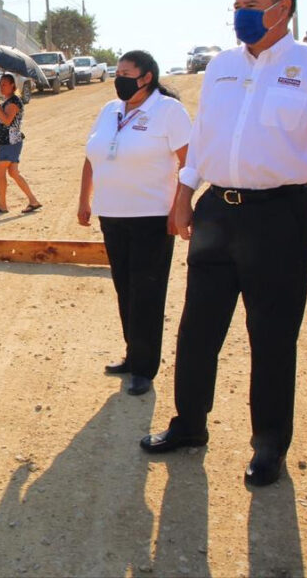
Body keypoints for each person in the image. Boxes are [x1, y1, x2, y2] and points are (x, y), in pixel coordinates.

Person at [140, 0, 307, 488]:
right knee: (197, 330)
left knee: (271, 337)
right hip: (218, 209)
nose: (240, 11)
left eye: (251, 3)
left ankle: (268, 447)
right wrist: (184, 194)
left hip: (279, 216)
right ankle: (189, 425)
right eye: (237, 3)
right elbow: (203, 137)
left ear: (281, 9)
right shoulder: (220, 67)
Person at [78, 50, 191, 396]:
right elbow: (91, 157)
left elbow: (190, 163)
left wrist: (179, 207)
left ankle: (144, 367)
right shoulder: (109, 111)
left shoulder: (168, 111)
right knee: (125, 288)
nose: (119, 79)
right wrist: (85, 200)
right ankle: (132, 354)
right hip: (112, 214)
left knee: (147, 291)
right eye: (117, 72)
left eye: (127, 73)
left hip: (152, 217)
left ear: (146, 77)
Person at [0, 72, 41, 214]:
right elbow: (1, 122)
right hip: (8, 142)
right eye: (1, 84)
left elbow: (6, 121)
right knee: (13, 172)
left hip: (10, 142)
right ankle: (33, 201)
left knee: (0, 171)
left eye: (5, 84)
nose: (2, 87)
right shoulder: (9, 101)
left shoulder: (13, 102)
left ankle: (3, 205)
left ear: (12, 85)